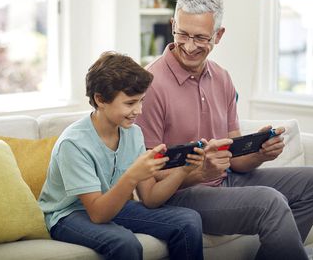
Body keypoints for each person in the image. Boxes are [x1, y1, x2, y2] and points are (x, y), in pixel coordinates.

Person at [135, 0, 313, 260]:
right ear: (173, 25)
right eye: (182, 34)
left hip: (226, 181)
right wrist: (200, 172)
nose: (189, 46)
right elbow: (150, 184)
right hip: (182, 193)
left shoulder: (222, 78)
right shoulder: (150, 85)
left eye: (201, 37)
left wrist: (259, 153)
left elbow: (235, 160)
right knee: (269, 203)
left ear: (219, 35)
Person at [38, 51, 218, 260]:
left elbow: (150, 198)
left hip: (113, 205)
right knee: (124, 243)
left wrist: (183, 170)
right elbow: (98, 214)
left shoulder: (133, 134)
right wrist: (133, 175)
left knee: (188, 220)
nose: (139, 110)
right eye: (130, 103)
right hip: (68, 215)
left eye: (141, 101)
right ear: (100, 99)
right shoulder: (73, 144)